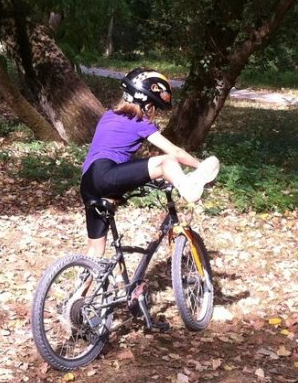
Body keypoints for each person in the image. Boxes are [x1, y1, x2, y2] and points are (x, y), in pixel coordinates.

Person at [80, 68, 219, 258]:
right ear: (145, 103)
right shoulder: (139, 122)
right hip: (106, 175)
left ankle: (82, 286)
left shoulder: (109, 116)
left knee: (95, 251)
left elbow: (119, 159)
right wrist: (200, 166)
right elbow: (175, 152)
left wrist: (151, 177)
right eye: (153, 106)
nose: (153, 113)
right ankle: (190, 186)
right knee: (166, 161)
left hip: (89, 182)